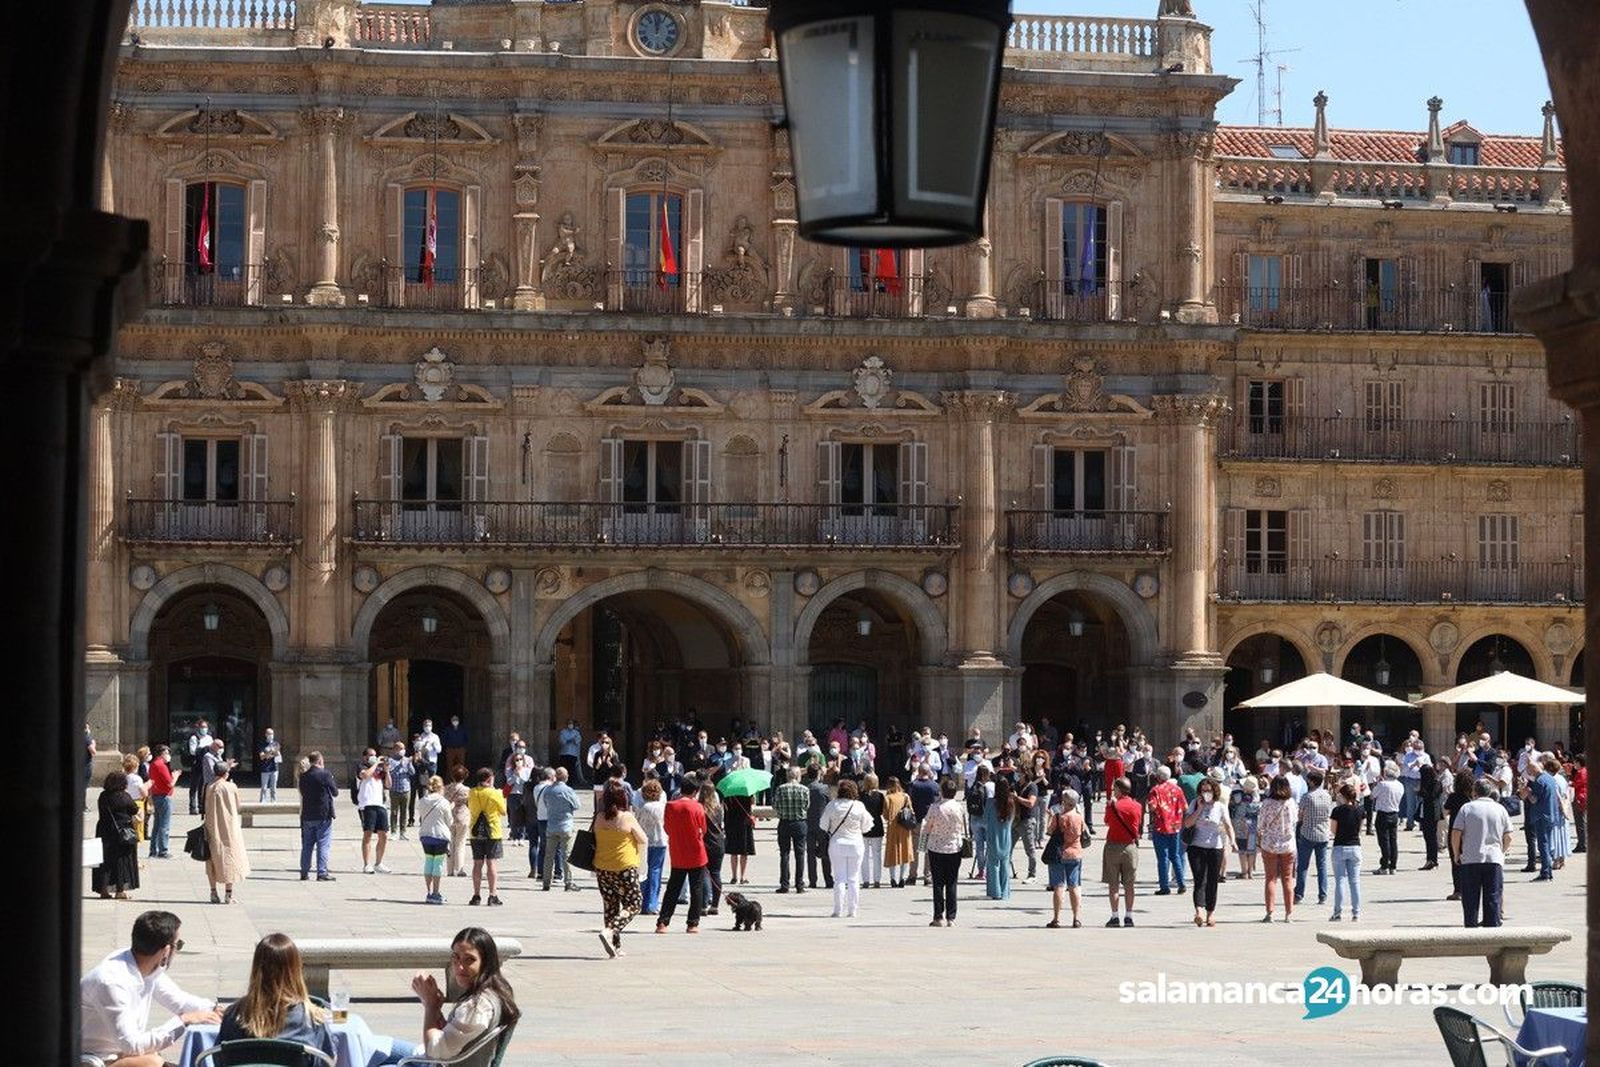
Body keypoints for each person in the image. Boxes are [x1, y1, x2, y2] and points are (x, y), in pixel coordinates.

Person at [81, 910, 221, 1066]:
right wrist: (184, 1020)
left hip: (119, 1054)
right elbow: (131, 1045)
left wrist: (215, 1009)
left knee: (153, 1055)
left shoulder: (145, 966)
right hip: (92, 1060)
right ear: (166, 951)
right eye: (178, 945)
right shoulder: (111, 982)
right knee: (152, 1062)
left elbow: (178, 1000)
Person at [409, 927, 521, 1061]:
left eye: (469, 960)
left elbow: (435, 1052)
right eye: (456, 957)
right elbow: (455, 1037)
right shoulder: (497, 990)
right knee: (377, 1045)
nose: (459, 967)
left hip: (438, 1062)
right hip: (446, 1057)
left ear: (485, 962)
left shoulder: (478, 1006)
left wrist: (430, 1006)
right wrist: (437, 1010)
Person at [217, 934, 335, 1057]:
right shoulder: (311, 1018)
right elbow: (327, 1059)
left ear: (256, 970)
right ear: (296, 970)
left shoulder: (234, 1015)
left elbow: (219, 1058)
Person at [593, 780, 649, 957]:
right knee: (634, 904)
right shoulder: (627, 817)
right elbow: (643, 839)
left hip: (602, 867)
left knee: (610, 905)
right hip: (624, 866)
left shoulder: (599, 818)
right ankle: (610, 931)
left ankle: (615, 946)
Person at [1452, 778, 1514, 927]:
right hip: (1493, 858)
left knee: (1470, 899)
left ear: (1474, 792)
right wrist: (1502, 851)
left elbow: (1456, 833)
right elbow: (1509, 836)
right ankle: (1492, 927)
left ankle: (1471, 926)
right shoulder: (1500, 809)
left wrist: (1456, 853)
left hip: (1471, 858)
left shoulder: (1467, 808)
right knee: (1493, 896)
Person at [656, 773, 709, 933]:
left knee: (673, 888)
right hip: (696, 852)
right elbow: (704, 829)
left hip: (678, 851)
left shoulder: (671, 806)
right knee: (696, 888)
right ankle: (692, 923)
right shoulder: (698, 807)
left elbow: (666, 828)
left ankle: (663, 922)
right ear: (695, 791)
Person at [1183, 776, 1235, 927]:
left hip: (1215, 847)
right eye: (1203, 790)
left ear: (1214, 791)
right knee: (1200, 879)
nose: (1206, 793)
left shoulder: (1220, 806)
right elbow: (1187, 824)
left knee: (1212, 881)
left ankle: (1210, 913)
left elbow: (1228, 825)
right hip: (1196, 847)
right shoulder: (1194, 803)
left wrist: (1233, 841)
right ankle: (1199, 911)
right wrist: (1199, 809)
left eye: (1209, 790)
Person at [820, 778, 871, 918]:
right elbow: (867, 826)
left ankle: (837, 910)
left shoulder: (832, 805)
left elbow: (823, 825)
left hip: (837, 843)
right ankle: (852, 910)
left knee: (839, 878)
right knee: (854, 878)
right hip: (855, 843)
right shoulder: (859, 806)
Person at [922, 776, 967, 927]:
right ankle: (951, 917)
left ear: (942, 791)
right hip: (954, 847)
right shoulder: (959, 807)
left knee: (938, 883)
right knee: (952, 882)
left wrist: (922, 846)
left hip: (936, 847)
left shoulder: (935, 808)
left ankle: (938, 916)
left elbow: (926, 828)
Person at [203, 761, 249, 904]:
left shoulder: (209, 787)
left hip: (212, 827)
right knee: (230, 857)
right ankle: (228, 894)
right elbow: (238, 806)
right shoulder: (231, 786)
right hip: (229, 828)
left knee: (211, 859)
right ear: (226, 774)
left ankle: (213, 892)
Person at [1102, 776, 1143, 927]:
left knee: (1113, 884)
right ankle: (1129, 916)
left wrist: (1110, 805)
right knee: (1129, 884)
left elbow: (1107, 821)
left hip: (1113, 845)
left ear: (1118, 790)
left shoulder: (1113, 806)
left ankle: (1114, 916)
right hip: (1130, 847)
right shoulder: (1137, 805)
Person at [94, 772, 140, 901]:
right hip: (122, 832)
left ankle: (103, 890)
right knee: (121, 861)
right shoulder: (124, 796)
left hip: (104, 830)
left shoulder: (103, 796)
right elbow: (134, 810)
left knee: (105, 860)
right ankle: (120, 890)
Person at [1045, 788, 1086, 928]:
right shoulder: (1079, 817)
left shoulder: (1059, 817)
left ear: (1066, 802)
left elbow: (1049, 831)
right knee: (1074, 886)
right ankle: (1076, 918)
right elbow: (1084, 832)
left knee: (1059, 886)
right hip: (1075, 853)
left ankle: (1056, 918)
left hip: (1060, 853)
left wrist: (1051, 817)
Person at [467, 767, 506, 906]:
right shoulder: (495, 793)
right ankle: (492, 894)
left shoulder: (471, 792)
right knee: (491, 863)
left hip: (475, 832)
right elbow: (503, 811)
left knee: (477, 863)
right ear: (489, 779)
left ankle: (476, 895)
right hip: (493, 831)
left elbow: (470, 807)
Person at [1146, 765, 1187, 895]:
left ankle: (1164, 886)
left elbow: (1152, 807)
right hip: (1175, 826)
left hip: (1161, 826)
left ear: (1158, 777)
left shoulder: (1155, 790)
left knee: (1163, 857)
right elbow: (1185, 806)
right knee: (1175, 856)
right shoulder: (1177, 789)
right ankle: (1181, 883)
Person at [297, 751, 338, 882]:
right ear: (320, 761)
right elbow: (335, 792)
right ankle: (321, 872)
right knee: (323, 844)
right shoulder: (325, 774)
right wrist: (330, 778)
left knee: (307, 845)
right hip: (322, 814)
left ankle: (304, 872)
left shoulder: (303, 776)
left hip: (307, 814)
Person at [1293, 768, 1332, 905]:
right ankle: (1323, 894)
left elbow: (1300, 815)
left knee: (1303, 865)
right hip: (1323, 833)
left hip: (1308, 833)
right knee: (1322, 866)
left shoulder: (1307, 797)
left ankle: (1299, 893)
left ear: (1312, 782)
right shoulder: (1327, 795)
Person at [1328, 781, 1365, 922]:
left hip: (1339, 846)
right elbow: (1359, 829)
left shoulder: (1337, 810)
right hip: (1355, 846)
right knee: (1355, 882)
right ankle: (1356, 913)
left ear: (1343, 796)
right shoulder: (1360, 810)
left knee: (1340, 881)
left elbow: (1333, 830)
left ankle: (1337, 912)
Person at [541, 766, 581, 892]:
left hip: (551, 825)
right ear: (566, 777)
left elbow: (545, 803)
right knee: (566, 855)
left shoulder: (548, 790)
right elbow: (577, 805)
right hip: (565, 825)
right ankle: (568, 882)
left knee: (549, 855)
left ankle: (546, 882)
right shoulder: (568, 790)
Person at [772, 766, 809, 894]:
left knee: (784, 854)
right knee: (800, 854)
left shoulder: (780, 789)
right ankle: (799, 884)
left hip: (784, 823)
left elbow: (775, 805)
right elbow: (807, 805)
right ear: (798, 776)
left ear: (788, 776)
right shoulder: (804, 789)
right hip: (800, 823)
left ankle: (784, 884)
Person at [355, 747, 392, 875]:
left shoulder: (379, 770)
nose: (374, 757)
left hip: (380, 804)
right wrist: (376, 763)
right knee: (368, 834)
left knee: (384, 835)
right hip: (367, 805)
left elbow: (388, 785)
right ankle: (366, 864)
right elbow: (364, 775)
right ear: (365, 757)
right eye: (371, 755)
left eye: (375, 755)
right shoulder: (361, 766)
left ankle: (379, 863)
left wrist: (386, 771)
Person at [416, 776, 452, 904]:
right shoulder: (444, 802)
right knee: (438, 864)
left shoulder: (422, 801)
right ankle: (436, 892)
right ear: (441, 787)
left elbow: (421, 815)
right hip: (440, 835)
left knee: (428, 861)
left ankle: (429, 892)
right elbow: (449, 821)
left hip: (425, 835)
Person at [635, 778, 668, 913]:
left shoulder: (643, 808)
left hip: (645, 842)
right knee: (656, 872)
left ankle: (641, 902)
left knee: (643, 872)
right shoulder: (663, 807)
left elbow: (637, 824)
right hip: (660, 841)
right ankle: (652, 904)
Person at [982, 776, 1015, 900]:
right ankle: (1005, 891)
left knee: (993, 865)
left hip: (993, 836)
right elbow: (1012, 820)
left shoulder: (991, 802)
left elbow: (985, 820)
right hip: (1006, 837)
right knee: (1005, 865)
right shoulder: (1011, 802)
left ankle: (995, 891)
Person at [805, 766, 835, 890]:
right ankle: (828, 880)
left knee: (810, 854)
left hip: (809, 824)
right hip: (823, 825)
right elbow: (830, 805)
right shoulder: (824, 788)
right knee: (826, 853)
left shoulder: (806, 788)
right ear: (818, 774)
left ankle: (813, 881)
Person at [883, 777, 915, 889]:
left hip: (893, 828)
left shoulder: (887, 798)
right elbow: (911, 811)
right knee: (905, 852)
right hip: (905, 828)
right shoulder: (906, 796)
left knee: (892, 852)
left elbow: (885, 815)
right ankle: (902, 878)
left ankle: (893, 878)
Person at [1371, 762, 1403, 874]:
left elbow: (1372, 795)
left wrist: (1377, 784)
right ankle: (1393, 866)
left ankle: (1384, 866)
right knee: (1393, 841)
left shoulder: (1383, 785)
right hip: (1394, 814)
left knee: (1384, 841)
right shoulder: (1400, 785)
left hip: (1383, 814)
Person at [723, 785, 756, 885]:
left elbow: (725, 807)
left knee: (734, 852)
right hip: (744, 822)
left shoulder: (729, 791)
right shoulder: (747, 790)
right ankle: (742, 877)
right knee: (744, 851)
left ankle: (734, 877)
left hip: (732, 822)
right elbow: (752, 803)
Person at [146, 746, 174, 859]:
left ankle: (153, 850)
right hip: (164, 797)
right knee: (164, 825)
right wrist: (176, 776)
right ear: (161, 754)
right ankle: (163, 850)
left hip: (157, 795)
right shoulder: (161, 765)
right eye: (166, 753)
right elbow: (170, 783)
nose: (168, 755)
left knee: (157, 825)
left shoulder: (153, 764)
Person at [444, 765, 472, 878]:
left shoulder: (446, 788)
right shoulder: (466, 790)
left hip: (449, 816)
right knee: (460, 843)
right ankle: (459, 869)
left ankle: (450, 870)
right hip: (462, 816)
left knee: (451, 843)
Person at [859, 773, 887, 889]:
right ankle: (877, 880)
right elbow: (881, 811)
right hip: (876, 826)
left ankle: (865, 880)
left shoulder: (860, 796)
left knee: (864, 855)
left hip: (863, 827)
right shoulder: (880, 796)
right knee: (877, 855)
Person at [1232, 776, 1261, 879]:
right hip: (1252, 824)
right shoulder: (1256, 797)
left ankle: (1244, 872)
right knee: (1251, 849)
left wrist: (1237, 785)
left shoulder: (1239, 795)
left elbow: (1236, 801)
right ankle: (1250, 872)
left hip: (1241, 824)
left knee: (1242, 849)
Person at [1418, 758, 1444, 870]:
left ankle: (1433, 860)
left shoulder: (1436, 782)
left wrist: (1422, 791)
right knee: (1427, 836)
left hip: (1432, 812)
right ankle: (1430, 859)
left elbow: (1432, 796)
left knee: (1431, 837)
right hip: (1425, 811)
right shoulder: (1426, 782)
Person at [387, 741, 416, 841]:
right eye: (400, 749)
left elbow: (412, 773)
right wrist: (400, 766)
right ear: (395, 750)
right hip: (394, 789)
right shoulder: (390, 761)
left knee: (404, 812)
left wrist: (409, 764)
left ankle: (403, 832)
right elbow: (390, 772)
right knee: (394, 812)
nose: (402, 751)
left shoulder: (407, 760)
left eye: (403, 749)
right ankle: (394, 832)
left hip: (406, 789)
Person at [257, 728, 283, 802]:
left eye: (272, 734)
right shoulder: (262, 744)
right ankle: (262, 801)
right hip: (265, 768)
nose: (271, 735)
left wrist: (270, 754)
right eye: (269, 734)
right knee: (264, 787)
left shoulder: (276, 744)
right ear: (266, 735)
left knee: (273, 787)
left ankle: (273, 801)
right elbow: (262, 757)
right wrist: (269, 753)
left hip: (274, 768)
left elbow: (277, 754)